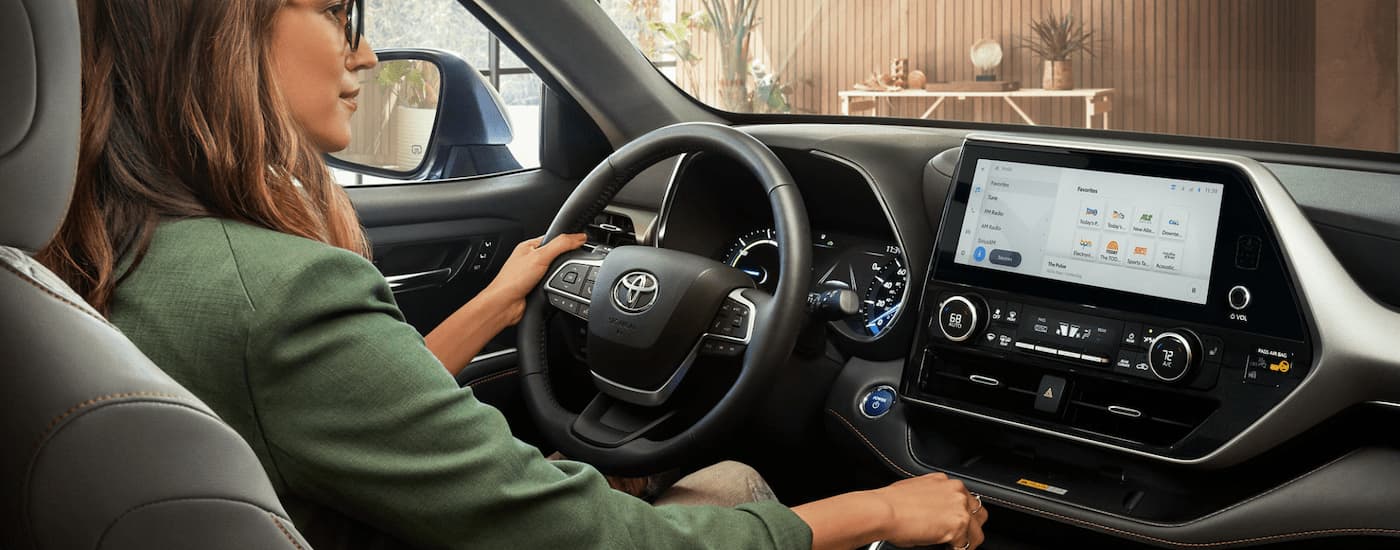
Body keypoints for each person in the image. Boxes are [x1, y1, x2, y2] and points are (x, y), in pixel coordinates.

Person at [42, 0, 990, 549]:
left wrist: (497, 305)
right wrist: (885, 506)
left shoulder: (100, 251)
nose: (365, 52)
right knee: (738, 479)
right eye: (336, 11)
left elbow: (336, 404)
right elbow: (602, 545)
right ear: (222, 29)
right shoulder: (277, 291)